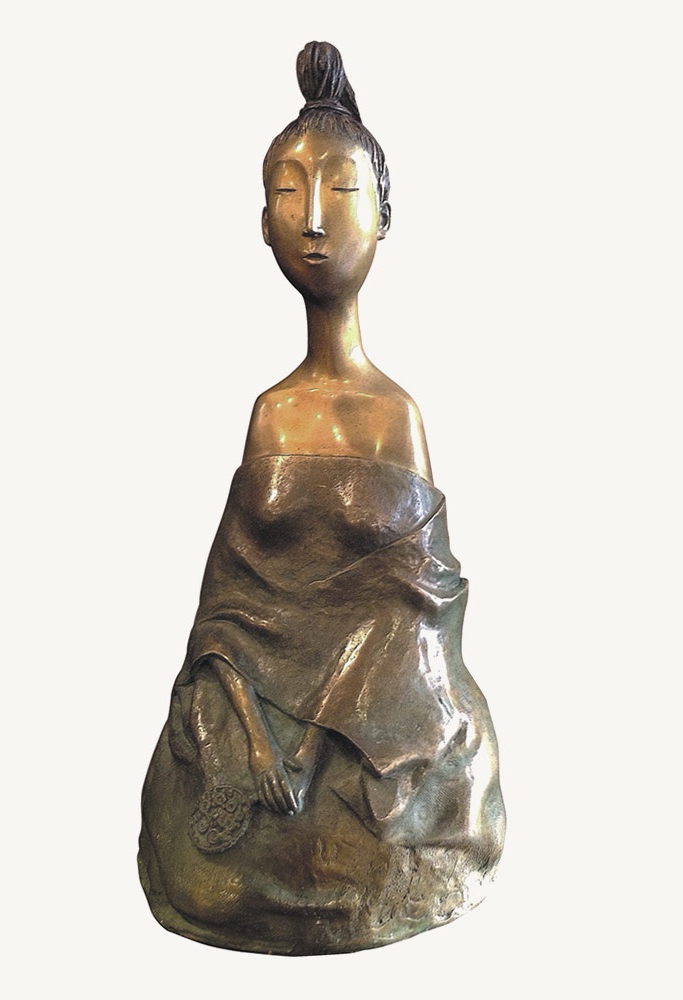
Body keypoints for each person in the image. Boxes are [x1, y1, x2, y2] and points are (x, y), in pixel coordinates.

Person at [139, 41, 505, 955]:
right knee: (202, 850)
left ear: (384, 216)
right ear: (261, 224)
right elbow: (229, 612)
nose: (312, 220)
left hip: (374, 710)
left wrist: (306, 743)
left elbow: (415, 617)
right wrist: (252, 732)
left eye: (340, 191)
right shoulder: (270, 415)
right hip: (256, 707)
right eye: (287, 192)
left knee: (384, 820)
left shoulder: (393, 418)